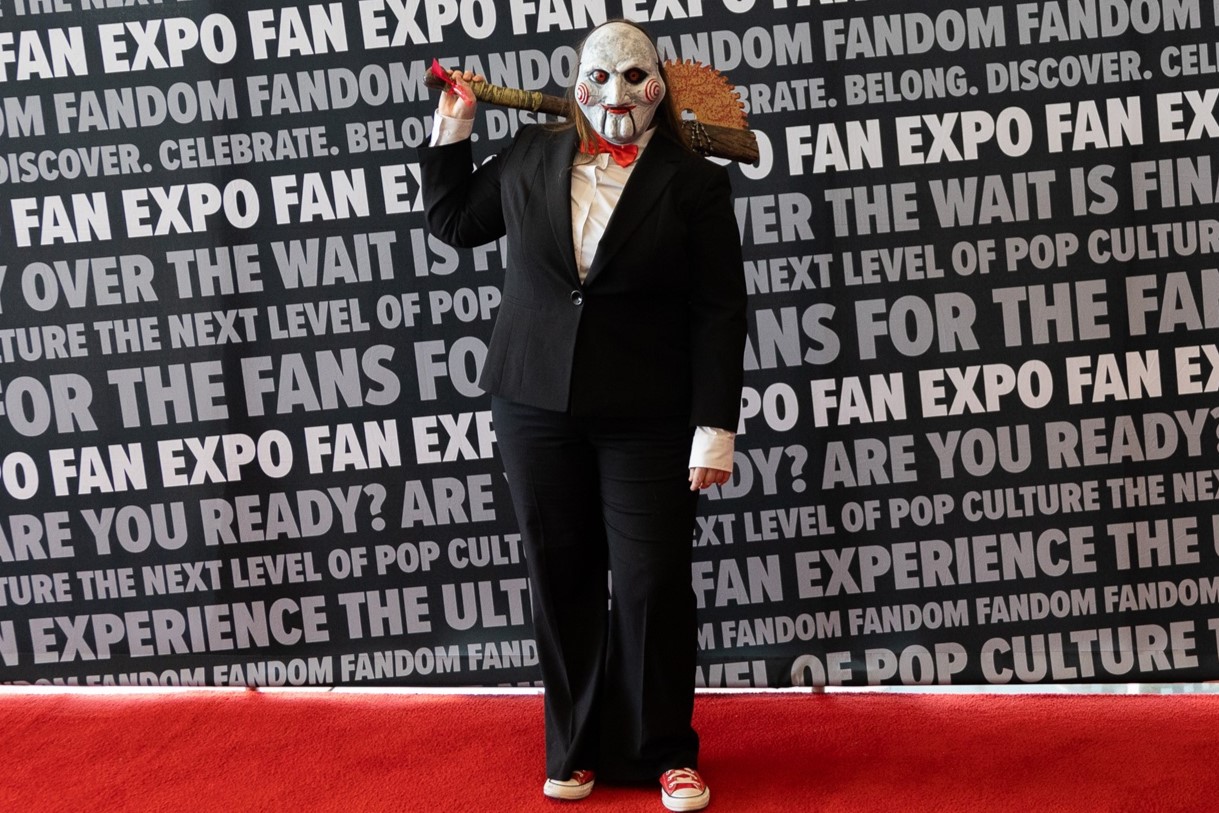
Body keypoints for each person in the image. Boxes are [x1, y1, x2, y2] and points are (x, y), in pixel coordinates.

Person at [419, 19, 747, 812]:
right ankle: (572, 746)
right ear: (576, 85)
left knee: (650, 581)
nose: (615, 95)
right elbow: (455, 223)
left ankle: (665, 750)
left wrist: (715, 426)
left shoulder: (693, 181)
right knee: (560, 575)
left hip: (649, 413)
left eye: (633, 78)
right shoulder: (531, 155)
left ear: (658, 88)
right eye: (598, 78)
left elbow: (718, 308)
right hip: (533, 403)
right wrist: (455, 127)